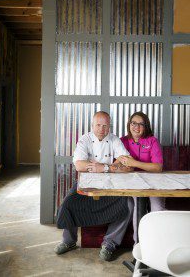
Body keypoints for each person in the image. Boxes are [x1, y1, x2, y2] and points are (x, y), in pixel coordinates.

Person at [55, 111, 134, 261]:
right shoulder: (85, 139)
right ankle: (69, 241)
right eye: (98, 125)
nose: (101, 129)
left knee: (129, 204)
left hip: (111, 184)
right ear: (92, 125)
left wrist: (104, 168)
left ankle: (109, 243)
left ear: (109, 126)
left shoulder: (114, 140)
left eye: (105, 126)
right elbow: (79, 165)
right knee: (68, 203)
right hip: (86, 183)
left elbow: (128, 164)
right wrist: (112, 164)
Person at [119, 111, 165, 244]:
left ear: (146, 126)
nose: (136, 127)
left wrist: (134, 163)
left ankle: (159, 243)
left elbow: (158, 167)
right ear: (129, 124)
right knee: (136, 209)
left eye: (141, 124)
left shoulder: (152, 140)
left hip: (154, 181)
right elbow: (117, 163)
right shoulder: (122, 141)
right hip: (132, 182)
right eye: (134, 123)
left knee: (157, 209)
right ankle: (138, 245)